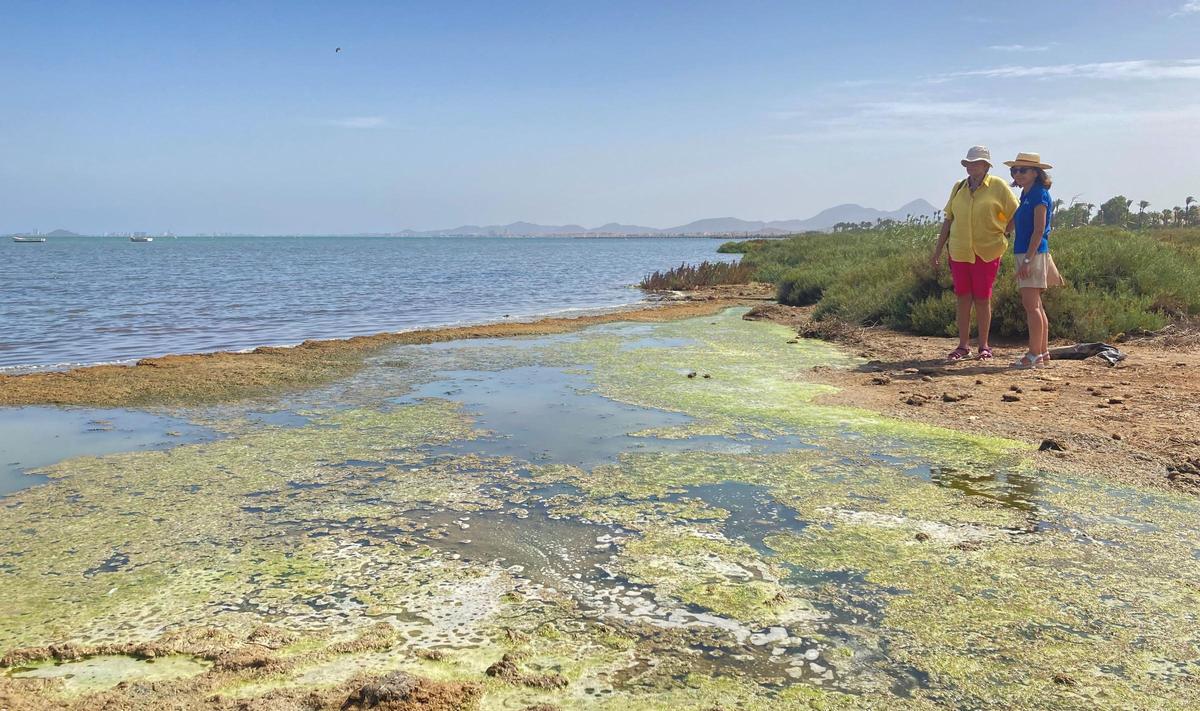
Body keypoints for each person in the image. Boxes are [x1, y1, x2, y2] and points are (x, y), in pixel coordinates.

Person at [931, 146, 1019, 361]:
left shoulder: (998, 186)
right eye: (969, 163)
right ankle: (962, 345)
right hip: (960, 250)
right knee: (962, 298)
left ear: (986, 165)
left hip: (987, 250)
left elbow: (1016, 211)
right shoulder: (959, 187)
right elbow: (948, 219)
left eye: (977, 162)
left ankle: (984, 346)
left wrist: (1004, 231)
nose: (972, 166)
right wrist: (938, 249)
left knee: (982, 298)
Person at [1006, 152, 1064, 369]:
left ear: (1036, 173)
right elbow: (1017, 219)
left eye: (1023, 170)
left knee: (1031, 305)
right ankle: (1043, 352)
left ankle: (1034, 355)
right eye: (1015, 170)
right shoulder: (1027, 194)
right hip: (1028, 252)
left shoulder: (1039, 194)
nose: (1018, 174)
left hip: (1033, 253)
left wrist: (1028, 260)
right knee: (1036, 305)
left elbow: (1039, 229)